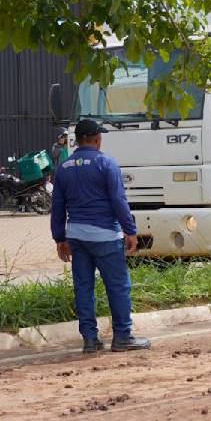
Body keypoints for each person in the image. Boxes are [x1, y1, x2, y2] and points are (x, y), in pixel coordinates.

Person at [50, 119, 150, 353]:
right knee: (118, 287)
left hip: (77, 237)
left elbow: (58, 206)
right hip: (105, 236)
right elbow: (118, 200)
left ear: (78, 140)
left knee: (83, 287)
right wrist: (130, 230)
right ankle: (122, 336)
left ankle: (90, 339)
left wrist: (59, 238)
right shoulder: (106, 163)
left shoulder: (63, 167)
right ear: (96, 138)